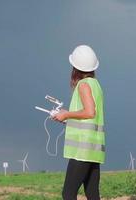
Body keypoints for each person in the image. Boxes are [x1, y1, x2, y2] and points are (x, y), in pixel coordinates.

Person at [52, 45, 105, 200]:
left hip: (82, 149)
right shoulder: (96, 85)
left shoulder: (83, 85)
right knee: (92, 193)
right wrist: (67, 118)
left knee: (68, 194)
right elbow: (89, 116)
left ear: (75, 67)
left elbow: (89, 112)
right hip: (94, 148)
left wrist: (66, 114)